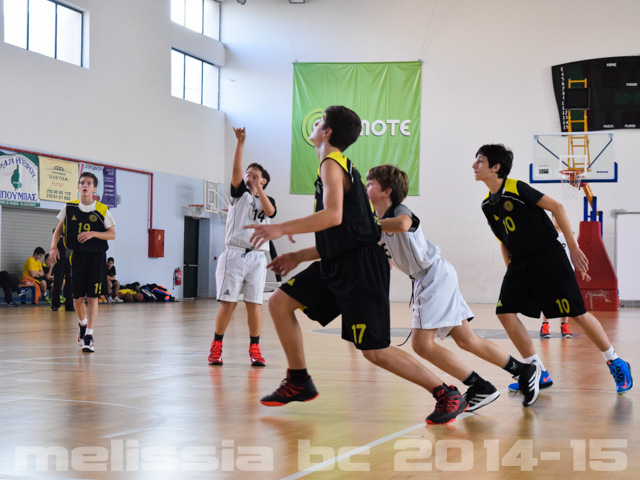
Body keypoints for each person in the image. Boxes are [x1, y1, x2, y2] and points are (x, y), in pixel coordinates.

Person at [245, 106, 468, 425]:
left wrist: (281, 227)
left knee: (374, 351)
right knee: (279, 302)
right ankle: (299, 379)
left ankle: (446, 393)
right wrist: (298, 256)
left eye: (319, 122)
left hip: (361, 269)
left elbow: (332, 216)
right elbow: (345, 233)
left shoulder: (332, 164)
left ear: (327, 132)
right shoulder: (339, 167)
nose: (315, 126)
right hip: (338, 263)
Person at [366, 164, 540, 409]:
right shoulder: (377, 222)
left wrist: (369, 225)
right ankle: (522, 370)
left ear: (387, 191)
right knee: (467, 340)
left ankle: (479, 385)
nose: (365, 187)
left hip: (432, 277)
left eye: (370, 184)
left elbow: (404, 224)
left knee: (421, 345)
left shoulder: (397, 211)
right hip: (435, 276)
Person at [473, 144, 633, 395]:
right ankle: (537, 371)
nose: (474, 165)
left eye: (480, 161)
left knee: (577, 314)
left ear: (496, 167)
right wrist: (510, 270)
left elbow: (557, 207)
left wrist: (574, 248)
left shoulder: (517, 188)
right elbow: (503, 240)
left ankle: (615, 361)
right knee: (504, 312)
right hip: (520, 263)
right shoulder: (486, 205)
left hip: (548, 256)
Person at [207, 127, 275, 367]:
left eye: (255, 173)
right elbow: (236, 169)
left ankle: (255, 348)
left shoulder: (266, 200)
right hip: (235, 255)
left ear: (264, 180)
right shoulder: (239, 195)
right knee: (229, 304)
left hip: (258, 257)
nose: (250, 173)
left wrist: (259, 189)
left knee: (255, 304)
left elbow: (270, 211)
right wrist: (240, 142)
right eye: (248, 172)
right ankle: (216, 346)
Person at [49, 171, 116, 353]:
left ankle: (89, 336)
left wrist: (94, 233)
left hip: (96, 257)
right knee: (77, 298)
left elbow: (112, 234)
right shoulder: (69, 208)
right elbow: (58, 231)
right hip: (78, 256)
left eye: (89, 183)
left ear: (94, 188)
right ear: (78, 187)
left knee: (93, 298)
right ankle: (82, 324)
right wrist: (53, 247)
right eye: (82, 183)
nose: (85, 185)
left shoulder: (102, 209)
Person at [50, 229, 74, 312]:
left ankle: (69, 305)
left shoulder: (71, 237)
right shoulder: (58, 239)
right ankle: (55, 305)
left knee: (70, 284)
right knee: (58, 282)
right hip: (60, 261)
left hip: (70, 261)